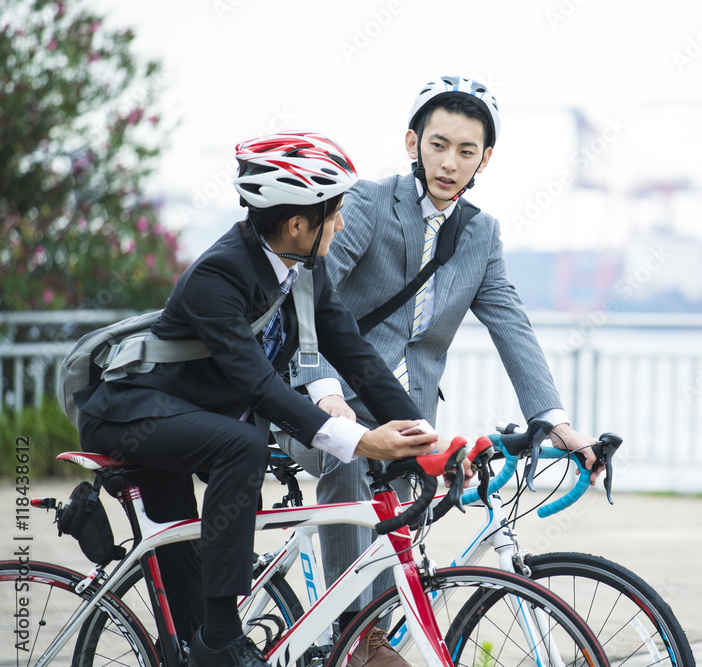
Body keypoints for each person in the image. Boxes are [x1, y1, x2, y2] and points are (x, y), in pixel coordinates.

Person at [74, 132, 437, 667]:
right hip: (129, 413)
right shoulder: (218, 275)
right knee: (241, 445)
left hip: (186, 417)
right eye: (333, 214)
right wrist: (361, 440)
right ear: (297, 225)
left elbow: (358, 358)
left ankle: (203, 639)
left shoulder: (303, 272)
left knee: (185, 591)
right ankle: (224, 635)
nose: (340, 224)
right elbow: (258, 388)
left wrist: (422, 437)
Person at [281, 76, 605, 646]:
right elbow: (309, 297)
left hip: (408, 417)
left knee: (408, 547)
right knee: (350, 454)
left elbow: (514, 329)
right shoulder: (366, 206)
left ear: (485, 159)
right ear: (413, 144)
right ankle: (356, 640)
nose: (449, 162)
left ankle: (378, 627)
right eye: (438, 144)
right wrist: (325, 392)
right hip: (315, 401)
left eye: (465, 150)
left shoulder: (481, 235)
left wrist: (557, 423)